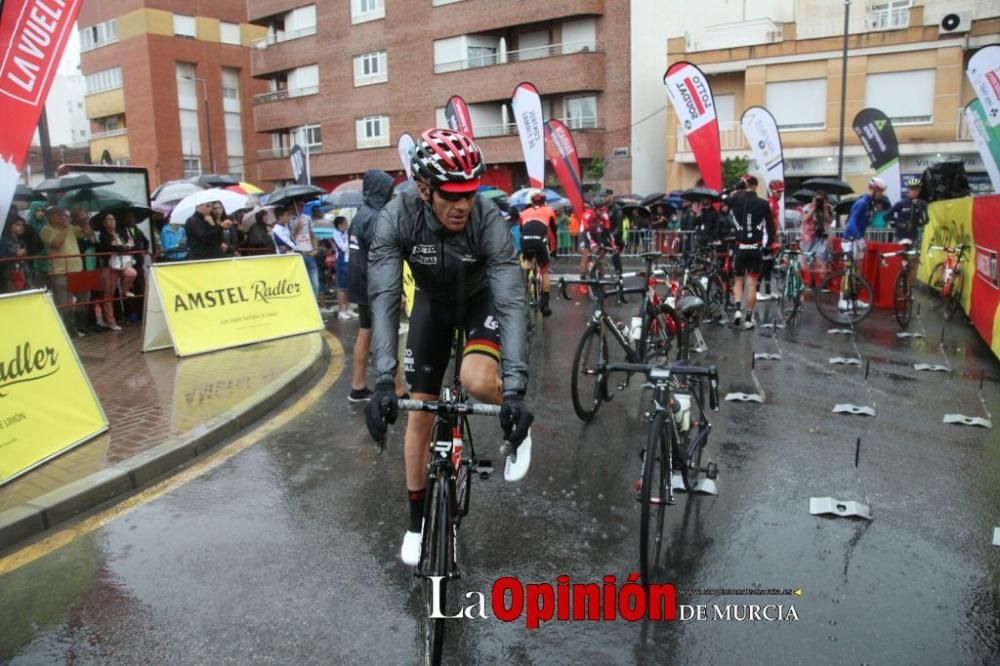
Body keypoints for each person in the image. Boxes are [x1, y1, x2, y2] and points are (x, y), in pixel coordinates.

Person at [364, 128, 534, 566]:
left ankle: (516, 419)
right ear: (424, 190)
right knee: (418, 410)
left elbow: (513, 301)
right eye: (450, 195)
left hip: (481, 300)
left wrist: (514, 391)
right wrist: (382, 381)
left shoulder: (486, 219)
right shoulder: (396, 216)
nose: (462, 205)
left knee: (475, 380)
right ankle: (416, 523)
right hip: (432, 305)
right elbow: (383, 299)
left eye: (470, 193)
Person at [346, 169, 406, 403]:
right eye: (389, 190)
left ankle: (358, 386)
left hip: (360, 283)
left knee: (366, 332)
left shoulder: (361, 214)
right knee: (386, 334)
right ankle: (399, 390)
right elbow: (382, 258)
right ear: (380, 191)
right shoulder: (376, 217)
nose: (392, 194)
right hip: (374, 285)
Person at [728, 175, 775, 330]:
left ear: (744, 185)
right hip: (755, 247)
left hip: (740, 247)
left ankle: (737, 311)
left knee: (738, 280)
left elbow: (722, 201)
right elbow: (770, 227)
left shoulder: (735, 200)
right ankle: (748, 318)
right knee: (752, 283)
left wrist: (735, 191)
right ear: (755, 186)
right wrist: (768, 244)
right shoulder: (763, 203)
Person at [40, 207, 89, 337]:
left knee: (85, 297)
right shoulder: (46, 230)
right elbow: (57, 244)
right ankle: (69, 330)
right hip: (60, 270)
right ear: (50, 217)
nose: (63, 217)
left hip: (77, 268)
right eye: (59, 215)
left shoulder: (71, 227)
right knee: (64, 302)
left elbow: (87, 234)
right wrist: (66, 227)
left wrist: (84, 221)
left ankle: (82, 326)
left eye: (63, 214)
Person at [841, 177, 887, 311]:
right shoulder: (862, 202)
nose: (881, 194)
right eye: (880, 191)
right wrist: (859, 238)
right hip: (850, 239)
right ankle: (842, 300)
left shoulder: (870, 205)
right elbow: (852, 222)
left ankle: (855, 299)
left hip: (858, 238)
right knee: (847, 271)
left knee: (858, 271)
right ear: (874, 190)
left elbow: (864, 222)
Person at [96, 212, 137, 331]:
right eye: (109, 219)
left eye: (113, 219)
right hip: (110, 265)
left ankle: (125, 290)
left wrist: (124, 246)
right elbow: (111, 247)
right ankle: (111, 321)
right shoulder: (103, 235)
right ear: (104, 223)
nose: (112, 221)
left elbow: (129, 244)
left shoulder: (121, 232)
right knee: (109, 293)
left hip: (122, 263)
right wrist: (123, 247)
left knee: (132, 273)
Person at [519, 189, 554, 317]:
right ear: (545, 202)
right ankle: (545, 306)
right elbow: (552, 232)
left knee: (528, 261)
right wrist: (553, 250)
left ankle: (525, 284)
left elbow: (522, 229)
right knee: (545, 270)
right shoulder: (549, 210)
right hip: (540, 241)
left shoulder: (524, 212)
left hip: (526, 241)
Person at [290, 201, 320, 298]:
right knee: (301, 282)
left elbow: (312, 235)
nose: (300, 208)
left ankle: (315, 304)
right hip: (298, 253)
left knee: (315, 284)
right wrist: (297, 228)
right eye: (299, 205)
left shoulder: (307, 218)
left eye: (302, 206)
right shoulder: (289, 220)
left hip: (309, 253)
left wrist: (316, 249)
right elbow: (290, 239)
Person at [801, 191, 832, 286]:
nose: (819, 201)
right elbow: (805, 219)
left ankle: (823, 283)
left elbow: (829, 221)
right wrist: (814, 207)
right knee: (810, 260)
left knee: (822, 260)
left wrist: (825, 208)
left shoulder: (828, 208)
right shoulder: (808, 207)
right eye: (817, 199)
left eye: (821, 200)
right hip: (810, 237)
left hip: (823, 237)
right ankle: (812, 282)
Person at [885, 177, 927, 243]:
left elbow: (926, 220)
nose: (914, 191)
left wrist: (920, 207)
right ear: (908, 190)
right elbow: (886, 216)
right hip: (900, 237)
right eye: (912, 189)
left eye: (916, 189)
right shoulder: (901, 203)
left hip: (915, 237)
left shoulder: (923, 203)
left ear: (920, 190)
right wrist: (899, 223)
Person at [331, 215, 355, 320]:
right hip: (341, 262)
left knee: (349, 286)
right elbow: (343, 248)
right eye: (345, 223)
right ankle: (341, 310)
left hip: (349, 261)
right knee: (342, 288)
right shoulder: (335, 234)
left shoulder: (346, 233)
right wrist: (349, 238)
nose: (347, 225)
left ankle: (349, 308)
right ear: (340, 225)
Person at [1, 213, 30, 292]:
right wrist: (16, 254)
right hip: (10, 274)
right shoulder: (3, 241)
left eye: (22, 225)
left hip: (23, 272)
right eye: (18, 225)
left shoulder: (21, 241)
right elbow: (2, 257)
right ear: (10, 226)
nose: (21, 227)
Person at [602, 189, 625, 276]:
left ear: (611, 196)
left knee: (615, 257)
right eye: (604, 196)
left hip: (616, 237)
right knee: (600, 254)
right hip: (606, 235)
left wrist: (612, 236)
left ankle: (619, 274)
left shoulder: (617, 209)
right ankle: (600, 273)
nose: (605, 198)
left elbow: (619, 226)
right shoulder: (604, 208)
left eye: (606, 196)